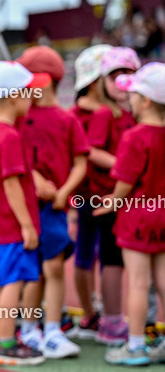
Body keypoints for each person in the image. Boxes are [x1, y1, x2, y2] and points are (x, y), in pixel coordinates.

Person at [14, 46, 88, 359]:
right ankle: (30, 328)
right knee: (31, 271)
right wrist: (33, 178)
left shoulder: (67, 120)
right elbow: (12, 158)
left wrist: (63, 191)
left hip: (54, 209)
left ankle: (53, 329)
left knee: (53, 267)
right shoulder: (19, 117)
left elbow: (80, 162)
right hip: (25, 208)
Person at [0, 61, 50, 366]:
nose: (32, 96)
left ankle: (3, 337)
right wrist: (27, 225)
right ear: (11, 97)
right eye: (26, 91)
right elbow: (12, 186)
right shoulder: (8, 136)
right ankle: (6, 344)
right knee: (12, 283)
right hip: (10, 225)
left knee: (2, 281)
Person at [96, 63, 165, 365]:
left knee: (137, 282)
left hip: (138, 215)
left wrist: (112, 201)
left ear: (145, 100)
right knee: (163, 279)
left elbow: (125, 182)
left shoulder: (134, 136)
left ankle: (135, 345)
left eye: (134, 94)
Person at [83, 47, 140, 345]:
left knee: (139, 262)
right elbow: (90, 151)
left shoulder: (143, 112)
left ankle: (143, 320)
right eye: (114, 75)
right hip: (109, 197)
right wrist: (123, 167)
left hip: (139, 200)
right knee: (112, 259)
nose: (121, 81)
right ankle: (113, 320)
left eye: (127, 74)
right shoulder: (106, 114)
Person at [68, 44, 113, 339]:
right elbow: (90, 151)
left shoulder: (74, 113)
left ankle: (92, 315)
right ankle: (98, 316)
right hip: (100, 193)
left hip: (87, 194)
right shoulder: (105, 114)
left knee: (89, 253)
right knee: (99, 255)